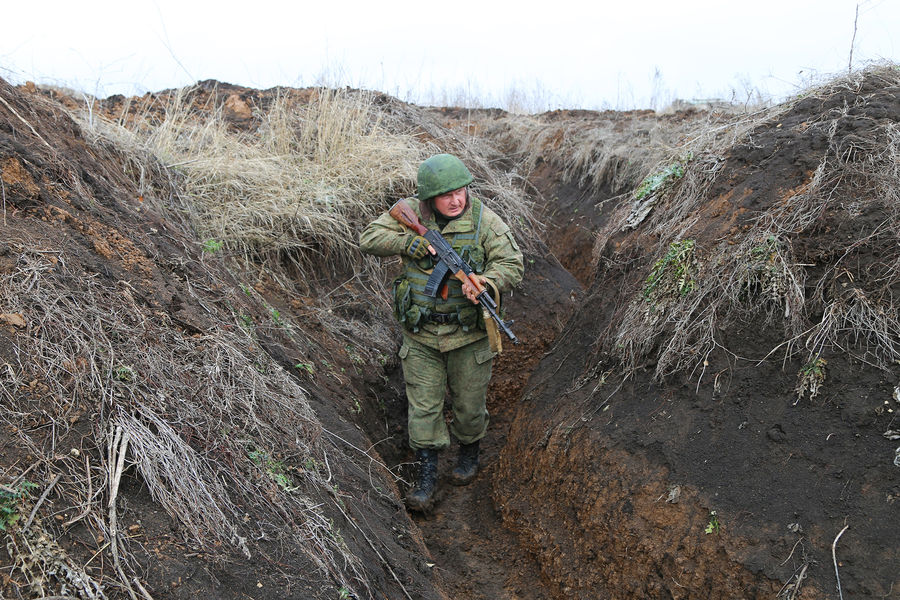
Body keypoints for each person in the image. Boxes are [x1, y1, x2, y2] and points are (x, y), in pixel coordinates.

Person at [359, 153, 524, 511]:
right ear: (429, 198)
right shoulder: (411, 216)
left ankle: (469, 455)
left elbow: (512, 264)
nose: (456, 200)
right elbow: (368, 238)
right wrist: (408, 243)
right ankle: (426, 476)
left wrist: (487, 281)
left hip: (469, 338)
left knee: (468, 405)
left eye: (461, 191)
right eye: (446, 195)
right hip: (421, 338)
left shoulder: (485, 222)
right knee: (424, 408)